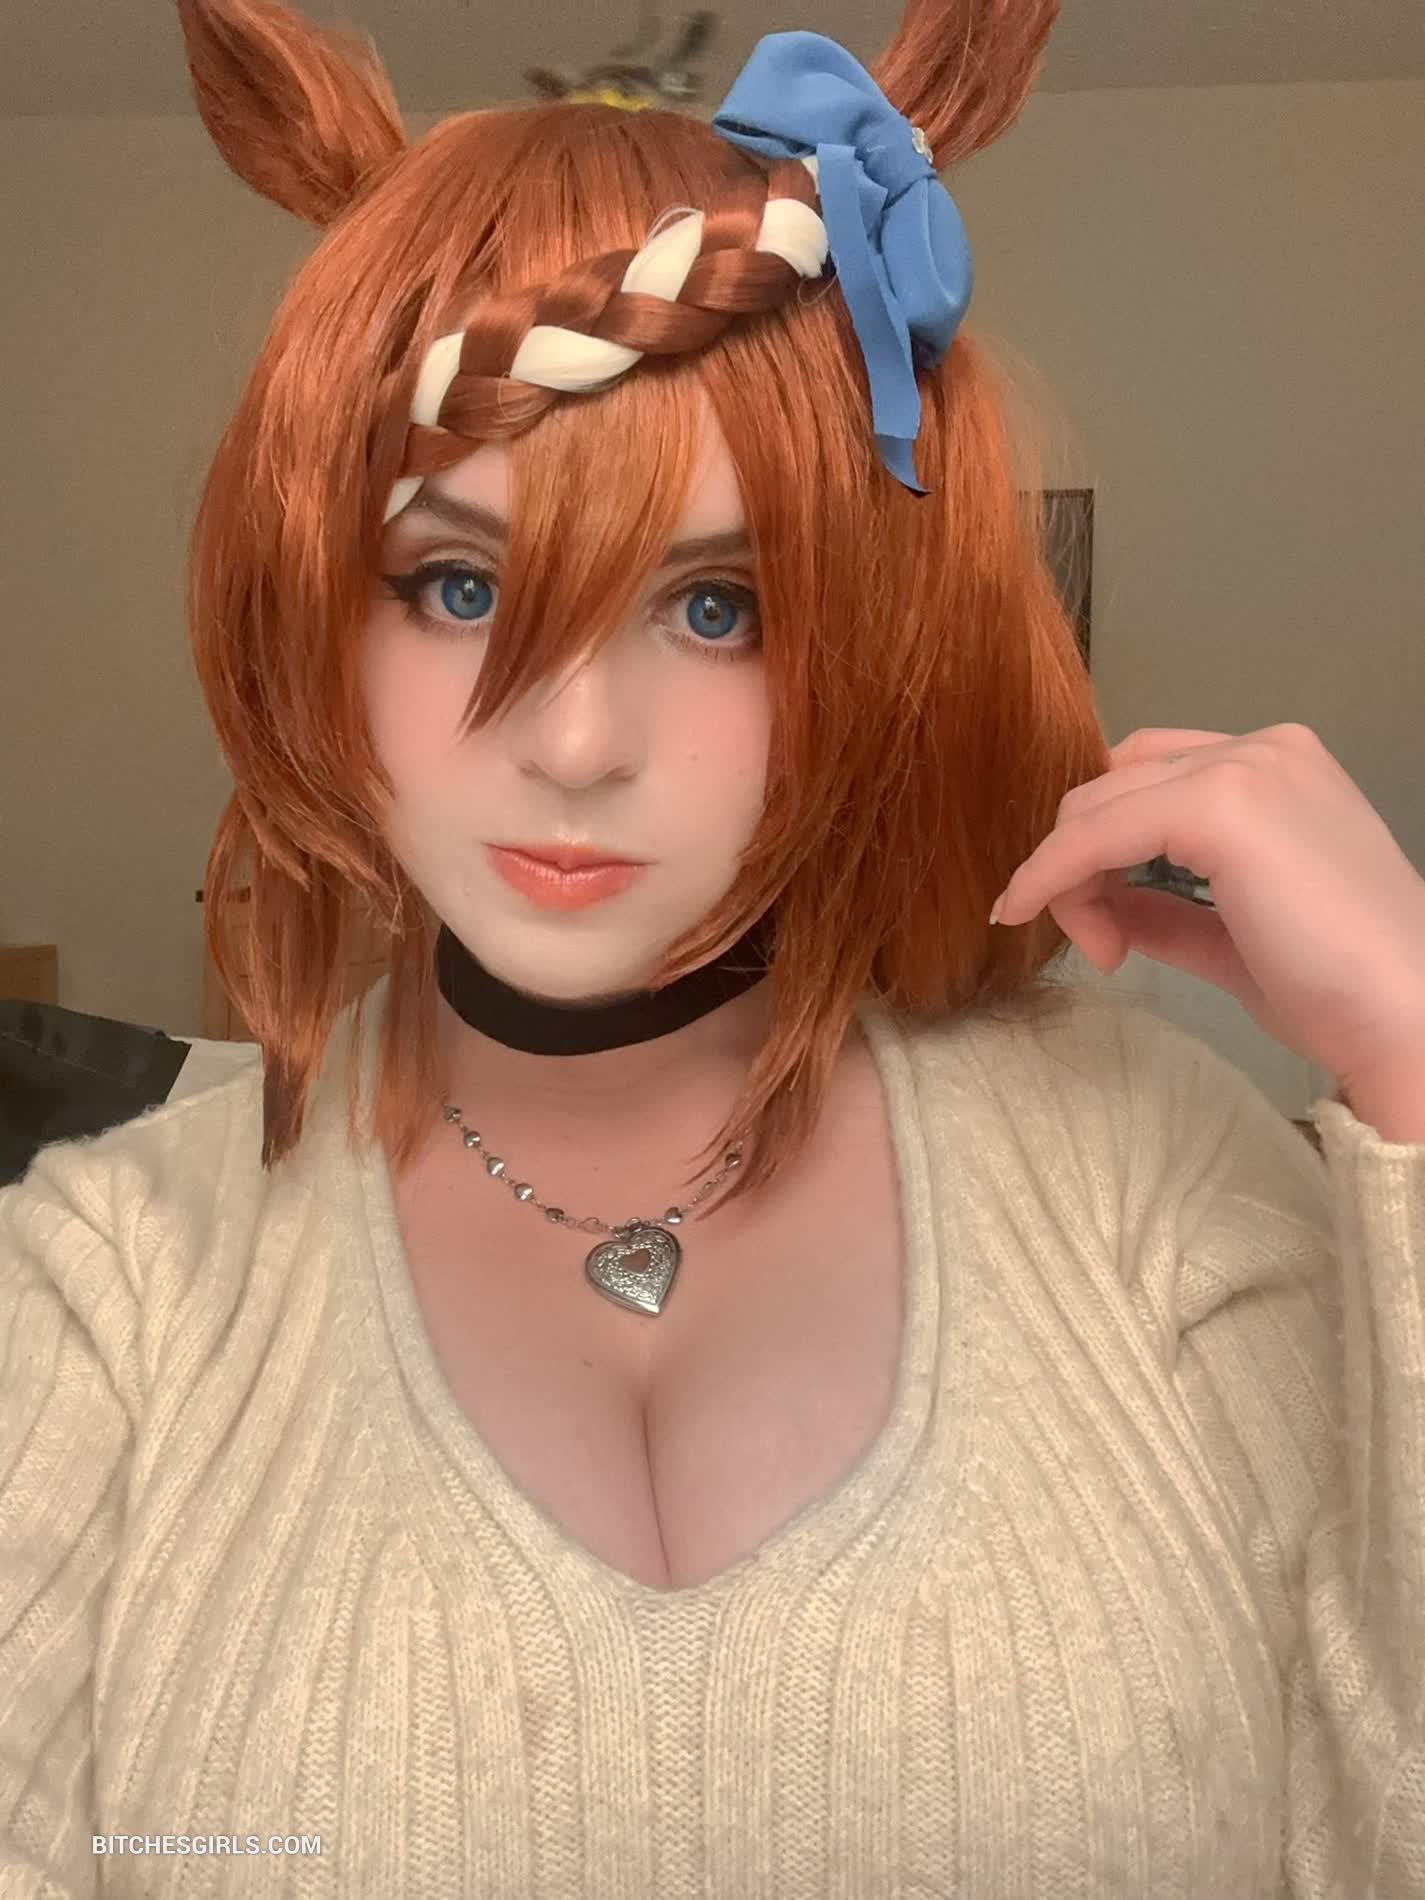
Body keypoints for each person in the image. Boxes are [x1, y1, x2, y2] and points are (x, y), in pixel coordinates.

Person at [3, 0, 1423, 1894]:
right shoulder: (112, 1292)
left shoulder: (1153, 1180)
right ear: (311, 617)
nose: (575, 743)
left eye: (716, 608)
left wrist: (1423, 1061)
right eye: (457, 584)